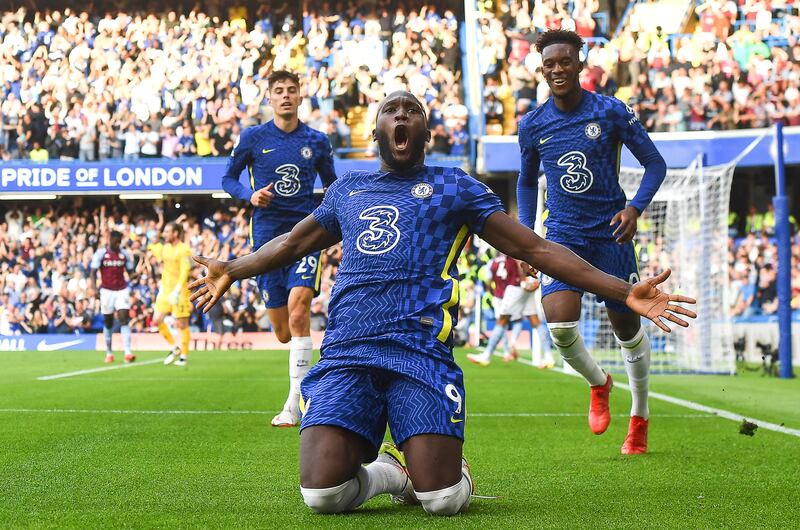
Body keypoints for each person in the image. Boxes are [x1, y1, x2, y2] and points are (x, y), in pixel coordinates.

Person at [190, 91, 694, 516]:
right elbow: (294, 243)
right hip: (348, 352)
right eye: (392, 110)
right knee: (321, 494)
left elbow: (533, 248)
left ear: (427, 133)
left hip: (420, 357)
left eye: (412, 110)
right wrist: (233, 269)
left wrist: (621, 290)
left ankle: (438, 473)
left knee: (443, 500)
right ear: (377, 131)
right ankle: (389, 474)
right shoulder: (348, 188)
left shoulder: (455, 186)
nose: (402, 115)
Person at [517, 30, 669, 454]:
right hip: (562, 234)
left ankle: (639, 418)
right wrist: (528, 235)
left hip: (611, 234)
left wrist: (635, 208)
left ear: (580, 64)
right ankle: (599, 382)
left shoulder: (612, 111)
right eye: (550, 64)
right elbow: (527, 183)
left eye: (565, 61)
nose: (558, 69)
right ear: (542, 70)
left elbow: (655, 164)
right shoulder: (532, 124)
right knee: (561, 326)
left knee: (627, 327)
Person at [222, 70, 337, 427]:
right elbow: (228, 178)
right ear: (268, 98)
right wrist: (249, 195)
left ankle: (294, 404)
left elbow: (333, 187)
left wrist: (336, 229)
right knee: (283, 330)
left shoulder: (317, 141)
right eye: (278, 91)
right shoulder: (253, 137)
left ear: (301, 96)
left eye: (291, 90)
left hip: (305, 236)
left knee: (299, 311)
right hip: (266, 241)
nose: (285, 96)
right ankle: (300, 383)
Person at [148, 222, 193, 366]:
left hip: (179, 291)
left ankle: (184, 357)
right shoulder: (165, 248)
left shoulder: (184, 249)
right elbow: (157, 254)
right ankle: (175, 347)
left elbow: (185, 271)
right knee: (157, 319)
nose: (164, 234)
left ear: (175, 233)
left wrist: (178, 289)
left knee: (182, 324)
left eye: (167, 232)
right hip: (165, 290)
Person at [90, 231, 137, 363]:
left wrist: (134, 275)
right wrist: (94, 288)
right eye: (116, 241)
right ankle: (109, 352)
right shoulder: (101, 254)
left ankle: (127, 352)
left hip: (121, 289)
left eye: (119, 241)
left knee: (123, 318)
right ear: (110, 240)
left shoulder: (124, 254)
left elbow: (130, 272)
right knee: (108, 321)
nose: (118, 244)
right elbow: (93, 272)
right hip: (106, 291)